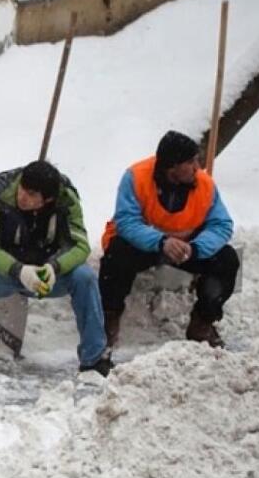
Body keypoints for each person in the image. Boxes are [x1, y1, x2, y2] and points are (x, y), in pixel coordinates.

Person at [0, 160, 110, 381]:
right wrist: (17, 270)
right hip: (5, 273)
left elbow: (80, 245)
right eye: (22, 188)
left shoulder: (67, 200)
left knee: (84, 277)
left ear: (47, 199)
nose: (22, 196)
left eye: (31, 194)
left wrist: (55, 267)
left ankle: (94, 358)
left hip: (48, 276)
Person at [98, 131, 239, 349]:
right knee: (116, 254)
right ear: (172, 166)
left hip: (187, 248)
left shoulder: (205, 184)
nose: (197, 167)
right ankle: (109, 317)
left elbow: (222, 224)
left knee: (227, 259)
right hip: (145, 246)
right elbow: (126, 221)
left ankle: (203, 322)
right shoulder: (136, 177)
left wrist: (196, 248)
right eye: (190, 161)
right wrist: (160, 241)